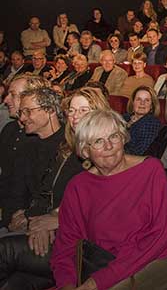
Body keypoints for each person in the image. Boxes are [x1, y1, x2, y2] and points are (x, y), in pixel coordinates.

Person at [50, 109, 167, 290]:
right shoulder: (77, 187)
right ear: (84, 151)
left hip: (160, 257)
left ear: (123, 139)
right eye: (98, 141)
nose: (108, 146)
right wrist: (66, 284)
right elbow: (66, 245)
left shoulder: (150, 170)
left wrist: (97, 282)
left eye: (114, 137)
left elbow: (160, 235)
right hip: (106, 262)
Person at [0, 87, 109, 289]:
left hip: (81, 246)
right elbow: (46, 192)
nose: (75, 117)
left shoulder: (106, 152)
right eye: (72, 111)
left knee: (4, 250)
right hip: (52, 234)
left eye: (84, 110)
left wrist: (56, 221)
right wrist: (37, 220)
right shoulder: (67, 149)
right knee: (15, 284)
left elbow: (101, 208)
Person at [4, 88, 64, 234]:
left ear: (50, 110)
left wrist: (33, 219)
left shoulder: (70, 146)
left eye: (28, 111)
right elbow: (16, 191)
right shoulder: (26, 146)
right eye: (21, 112)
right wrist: (10, 221)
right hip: (24, 222)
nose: (22, 118)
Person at [0, 75, 51, 229]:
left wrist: (31, 217)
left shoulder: (42, 137)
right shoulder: (10, 130)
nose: (6, 100)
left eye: (13, 95)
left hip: (25, 221)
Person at [123, 86, 161, 156]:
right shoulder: (123, 118)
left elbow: (139, 152)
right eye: (138, 99)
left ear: (152, 105)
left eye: (147, 100)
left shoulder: (152, 123)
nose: (142, 103)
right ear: (133, 102)